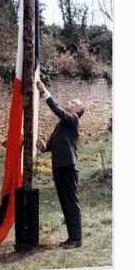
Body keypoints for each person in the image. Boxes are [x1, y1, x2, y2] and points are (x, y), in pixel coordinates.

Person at [35, 80, 84, 249]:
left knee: (71, 202)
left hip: (69, 167)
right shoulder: (62, 125)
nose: (68, 103)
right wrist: (44, 146)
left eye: (72, 103)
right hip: (59, 167)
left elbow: (57, 109)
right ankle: (72, 238)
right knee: (65, 203)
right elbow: (53, 143)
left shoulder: (73, 119)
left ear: (77, 110)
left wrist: (44, 92)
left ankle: (77, 239)